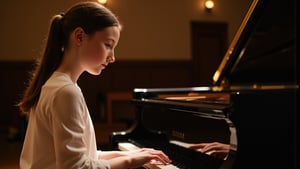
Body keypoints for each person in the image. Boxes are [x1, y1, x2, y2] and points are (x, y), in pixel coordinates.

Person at [17, 1, 171, 169]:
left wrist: (134, 154)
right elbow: (75, 166)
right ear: (79, 36)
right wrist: (130, 161)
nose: (112, 57)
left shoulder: (59, 85)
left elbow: (86, 155)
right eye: (108, 45)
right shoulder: (65, 92)